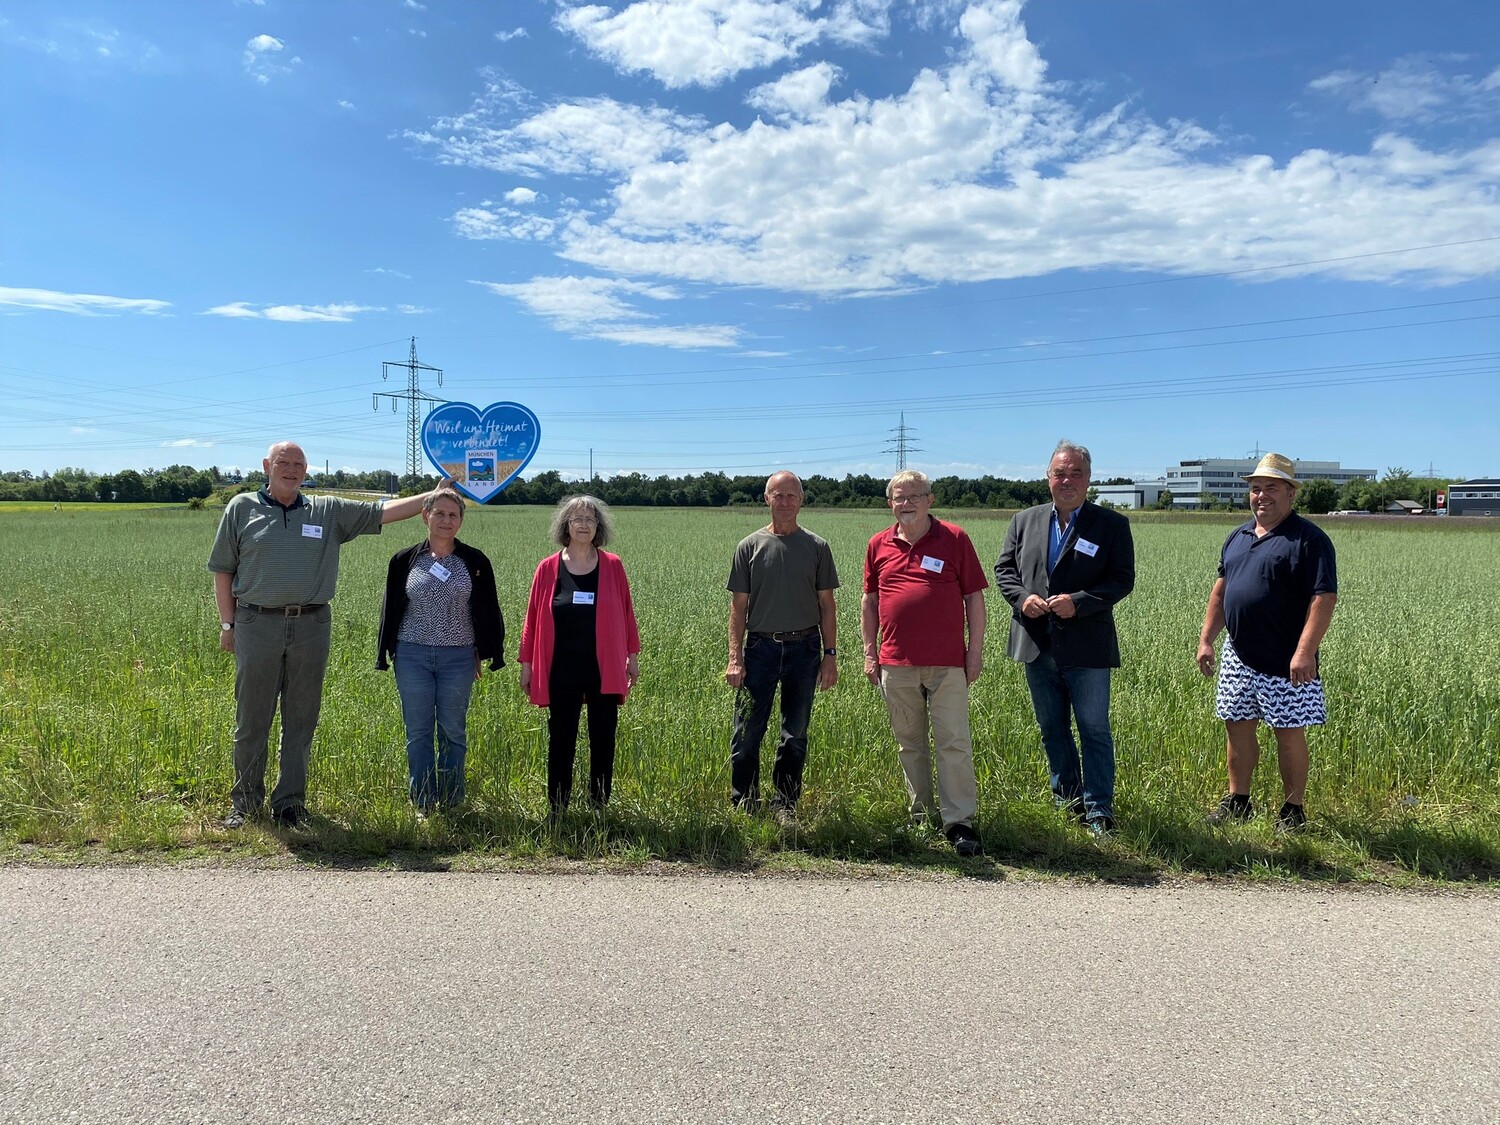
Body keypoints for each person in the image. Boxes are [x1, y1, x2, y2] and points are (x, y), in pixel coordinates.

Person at [208, 441, 449, 829]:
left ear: (307, 470)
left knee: (301, 718)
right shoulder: (242, 508)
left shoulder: (327, 510)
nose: (291, 469)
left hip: (311, 625)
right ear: (267, 465)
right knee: (252, 719)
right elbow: (223, 569)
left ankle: (289, 803)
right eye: (283, 462)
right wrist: (227, 624)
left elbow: (382, 512)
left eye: (298, 464)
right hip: (257, 623)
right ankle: (246, 804)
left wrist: (433, 495)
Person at [994, 440, 1135, 837]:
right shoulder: (1024, 520)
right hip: (1037, 643)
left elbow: (1122, 580)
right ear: (1047, 477)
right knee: (1051, 728)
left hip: (1087, 646)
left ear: (1089, 479)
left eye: (1076, 473)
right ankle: (1067, 801)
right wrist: (1024, 600)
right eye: (1060, 473)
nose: (1067, 480)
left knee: (1093, 729)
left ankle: (1099, 810)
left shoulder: (1111, 525)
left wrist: (1080, 602)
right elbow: (1005, 570)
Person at [1197, 453, 1338, 832]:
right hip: (1238, 656)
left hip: (1286, 660)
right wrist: (1207, 639)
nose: (1262, 495)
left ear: (1291, 494)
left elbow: (1323, 598)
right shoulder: (1238, 536)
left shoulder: (1309, 539)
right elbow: (1220, 591)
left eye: (1272, 488)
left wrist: (1305, 652)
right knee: (1237, 724)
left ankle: (1293, 811)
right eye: (1256, 488)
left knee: (1289, 733)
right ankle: (1238, 800)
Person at [861, 470, 987, 858]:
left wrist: (974, 651)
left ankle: (959, 823)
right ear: (890, 503)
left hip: (948, 663)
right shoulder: (878, 544)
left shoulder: (954, 538)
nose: (907, 502)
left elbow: (975, 599)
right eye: (900, 497)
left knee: (953, 742)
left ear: (930, 500)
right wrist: (869, 651)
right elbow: (870, 601)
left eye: (915, 495)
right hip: (895, 662)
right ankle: (920, 816)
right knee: (908, 744)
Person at [376, 488, 505, 814]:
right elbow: (390, 609)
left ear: (461, 520)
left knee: (452, 731)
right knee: (418, 732)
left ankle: (450, 802)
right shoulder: (405, 560)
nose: (446, 520)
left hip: (458, 658)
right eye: (439, 513)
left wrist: (484, 650)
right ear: (425, 516)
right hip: (412, 656)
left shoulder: (475, 561)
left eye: (453, 515)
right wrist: (387, 651)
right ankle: (422, 803)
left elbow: (488, 609)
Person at [725, 470, 839, 820]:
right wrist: (735, 657)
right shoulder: (750, 546)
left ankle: (784, 805)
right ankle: (744, 802)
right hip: (759, 650)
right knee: (746, 733)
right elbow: (738, 607)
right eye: (779, 495)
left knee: (795, 734)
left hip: (804, 650)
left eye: (792, 495)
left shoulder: (817, 547)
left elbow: (826, 604)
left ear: (801, 500)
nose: (785, 501)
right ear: (766, 499)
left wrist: (830, 655)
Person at [519, 496, 641, 816]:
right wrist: (527, 665)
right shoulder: (547, 568)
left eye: (590, 519)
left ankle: (598, 807)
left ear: (598, 526)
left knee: (603, 737)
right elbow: (532, 619)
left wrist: (633, 656)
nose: (584, 524)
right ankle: (557, 808)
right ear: (566, 526)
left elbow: (628, 614)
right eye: (577, 519)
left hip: (604, 667)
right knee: (561, 738)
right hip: (561, 668)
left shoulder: (613, 565)